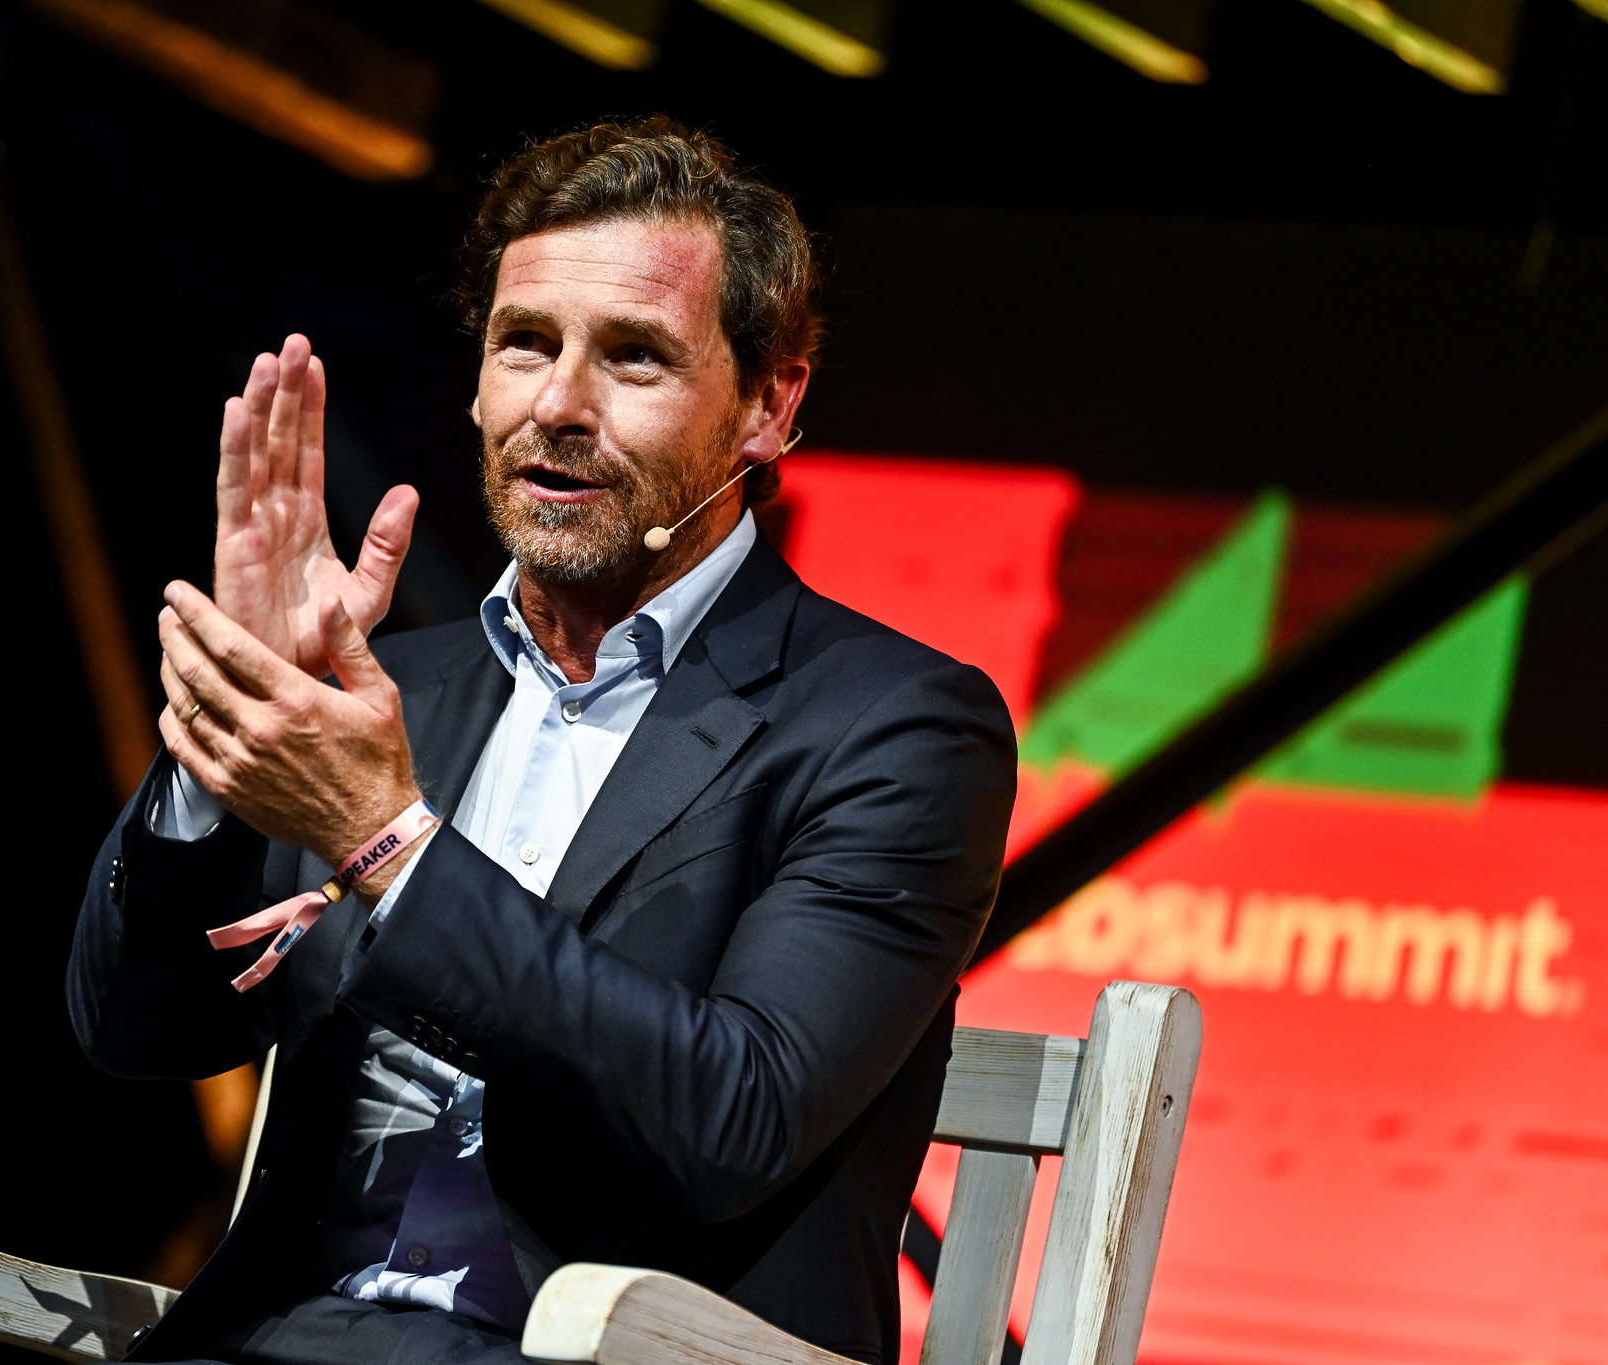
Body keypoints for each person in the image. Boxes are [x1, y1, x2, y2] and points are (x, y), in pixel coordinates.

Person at [69, 116, 1016, 1365]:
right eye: (524, 345)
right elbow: (141, 1033)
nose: (558, 405)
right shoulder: (387, 697)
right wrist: (226, 739)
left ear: (768, 406)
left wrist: (386, 840)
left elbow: (731, 1117)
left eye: (633, 357)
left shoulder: (892, 729)